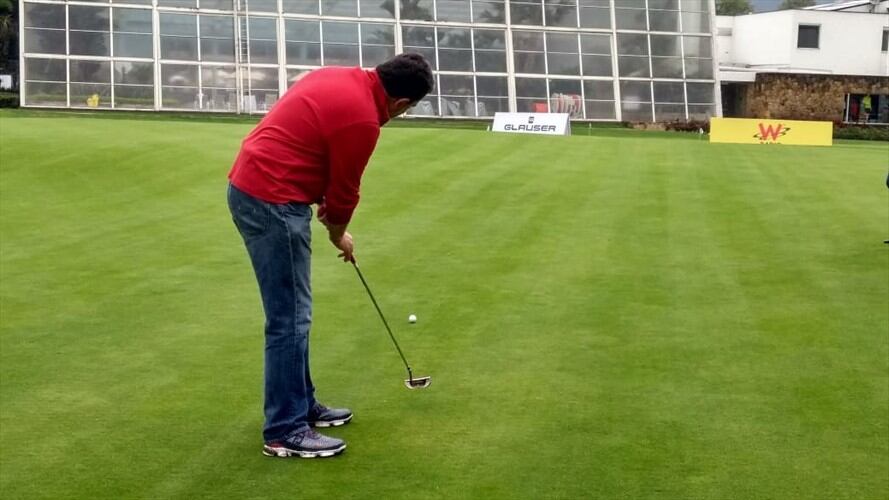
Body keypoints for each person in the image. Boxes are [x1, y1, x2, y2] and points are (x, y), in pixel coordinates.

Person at [226, 53, 434, 459]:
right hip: (271, 198)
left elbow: (312, 146)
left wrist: (331, 221)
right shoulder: (363, 119)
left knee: (295, 312)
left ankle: (302, 405)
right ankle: (285, 429)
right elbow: (344, 192)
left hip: (257, 186)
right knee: (290, 318)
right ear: (402, 104)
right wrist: (339, 234)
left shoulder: (339, 76)